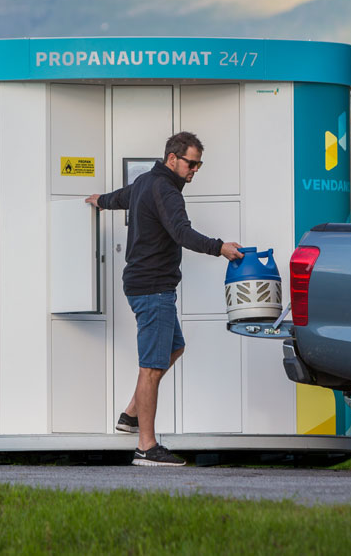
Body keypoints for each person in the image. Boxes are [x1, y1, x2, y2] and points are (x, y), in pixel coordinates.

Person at [86, 131, 243, 467]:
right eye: (192, 162)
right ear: (173, 158)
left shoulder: (146, 182)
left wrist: (101, 200)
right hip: (153, 288)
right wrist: (221, 248)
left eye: (199, 164)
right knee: (152, 368)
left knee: (174, 348)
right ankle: (146, 446)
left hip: (146, 285)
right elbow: (182, 233)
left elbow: (122, 197)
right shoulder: (167, 191)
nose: (195, 169)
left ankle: (130, 415)